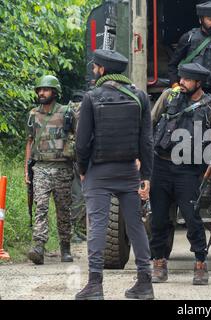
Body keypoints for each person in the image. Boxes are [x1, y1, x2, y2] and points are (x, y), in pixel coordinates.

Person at [150, 62, 211, 285]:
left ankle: (200, 263)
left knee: (192, 218)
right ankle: (159, 263)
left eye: (187, 80)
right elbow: (150, 123)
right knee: (159, 219)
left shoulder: (210, 104)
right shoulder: (169, 96)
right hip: (160, 165)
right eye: (181, 78)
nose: (181, 83)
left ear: (198, 83)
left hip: (188, 170)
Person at [75, 49, 154, 300]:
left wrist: (83, 169)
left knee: (97, 224)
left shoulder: (92, 97)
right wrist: (146, 177)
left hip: (99, 171)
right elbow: (147, 141)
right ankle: (145, 282)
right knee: (136, 226)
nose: (94, 70)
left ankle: (95, 285)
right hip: (130, 170)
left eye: (95, 66)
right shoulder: (139, 96)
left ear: (102, 69)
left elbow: (82, 142)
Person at [25, 75, 75, 265]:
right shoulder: (33, 115)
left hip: (63, 168)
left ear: (54, 92)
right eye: (39, 89)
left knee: (64, 210)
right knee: (41, 208)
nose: (41, 93)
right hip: (41, 168)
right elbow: (29, 142)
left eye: (45, 89)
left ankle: (65, 246)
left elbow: (76, 137)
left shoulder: (66, 113)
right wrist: (26, 170)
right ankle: (38, 246)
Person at [69, 90, 87, 244]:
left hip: (69, 157)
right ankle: (74, 231)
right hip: (81, 158)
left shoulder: (67, 110)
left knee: (76, 195)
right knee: (80, 195)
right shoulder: (86, 108)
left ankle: (76, 230)